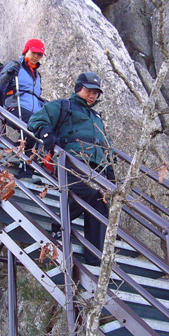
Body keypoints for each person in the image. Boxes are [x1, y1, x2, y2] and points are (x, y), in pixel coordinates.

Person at [28, 72, 114, 266]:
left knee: (100, 203)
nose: (92, 96)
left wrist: (110, 172)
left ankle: (94, 257)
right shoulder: (63, 105)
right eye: (88, 90)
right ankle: (59, 223)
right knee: (89, 194)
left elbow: (105, 145)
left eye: (96, 93)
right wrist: (47, 133)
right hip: (69, 161)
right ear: (78, 88)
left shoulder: (96, 117)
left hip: (94, 167)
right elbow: (37, 120)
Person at [0, 38, 46, 163]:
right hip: (14, 106)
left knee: (40, 129)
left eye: (39, 54)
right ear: (26, 50)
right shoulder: (15, 65)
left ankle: (20, 161)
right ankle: (20, 160)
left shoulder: (38, 75)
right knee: (36, 126)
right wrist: (8, 75)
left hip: (31, 111)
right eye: (34, 53)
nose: (36, 56)